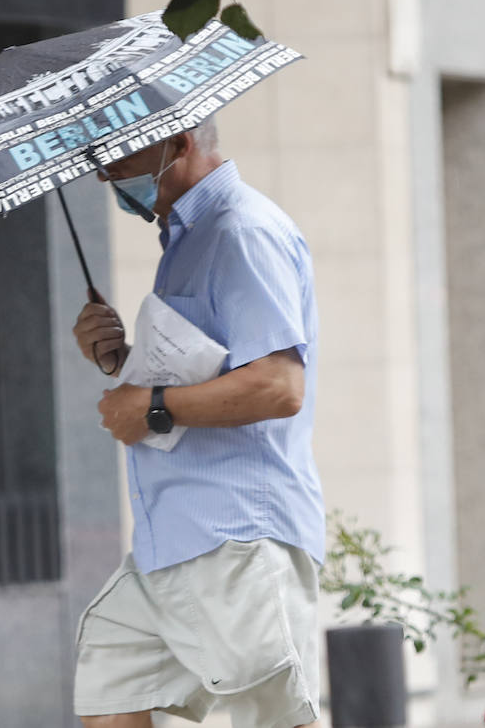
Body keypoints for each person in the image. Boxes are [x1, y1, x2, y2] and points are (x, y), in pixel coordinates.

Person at [71, 118, 325, 728]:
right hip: (173, 544)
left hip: (234, 538)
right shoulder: (188, 239)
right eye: (100, 159)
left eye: (121, 156)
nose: (106, 173)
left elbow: (278, 385)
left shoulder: (240, 232)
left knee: (274, 721)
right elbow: (205, 370)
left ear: (180, 144)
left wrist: (152, 405)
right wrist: (120, 360)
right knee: (110, 691)